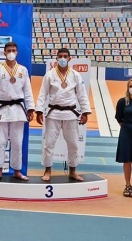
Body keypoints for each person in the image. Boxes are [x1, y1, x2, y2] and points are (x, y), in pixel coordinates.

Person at [35, 48, 91, 182]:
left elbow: (82, 95)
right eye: (60, 56)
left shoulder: (76, 75)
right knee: (49, 143)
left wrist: (85, 112)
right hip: (53, 113)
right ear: (56, 58)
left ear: (69, 58)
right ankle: (48, 170)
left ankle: (72, 170)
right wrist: (38, 111)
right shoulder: (49, 75)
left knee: (73, 144)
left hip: (70, 113)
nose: (62, 58)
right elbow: (43, 94)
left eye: (65, 56)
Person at [0, 42, 35, 181]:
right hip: (2, 109)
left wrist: (30, 109)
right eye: (9, 50)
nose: (11, 52)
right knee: (1, 142)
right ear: (4, 53)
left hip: (18, 110)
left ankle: (17, 170)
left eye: (13, 50)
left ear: (17, 52)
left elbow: (28, 91)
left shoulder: (23, 70)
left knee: (17, 142)